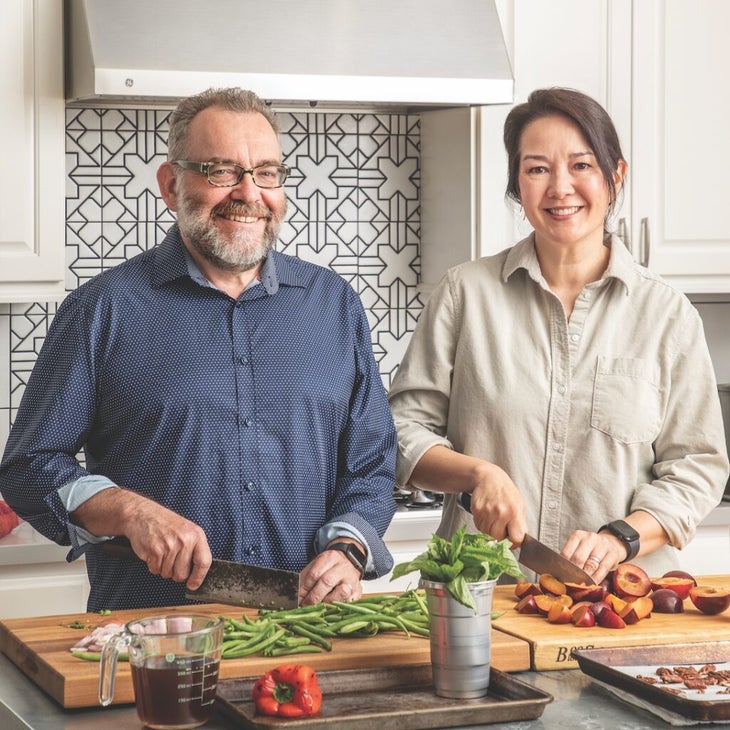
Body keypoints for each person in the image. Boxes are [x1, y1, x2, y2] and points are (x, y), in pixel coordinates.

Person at [0, 87, 397, 611]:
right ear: (170, 184)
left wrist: (348, 548)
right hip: (154, 642)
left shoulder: (333, 305)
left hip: (304, 638)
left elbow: (371, 464)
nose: (249, 193)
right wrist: (128, 511)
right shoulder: (102, 309)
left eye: (267, 172)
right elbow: (28, 467)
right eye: (221, 170)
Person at [388, 87, 729, 582]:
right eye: (537, 168)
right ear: (517, 186)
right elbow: (399, 432)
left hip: (617, 599)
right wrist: (478, 473)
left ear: (616, 177)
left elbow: (697, 467)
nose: (560, 188)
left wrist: (623, 537)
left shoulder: (667, 315)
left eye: (581, 165)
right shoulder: (465, 294)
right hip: (477, 598)